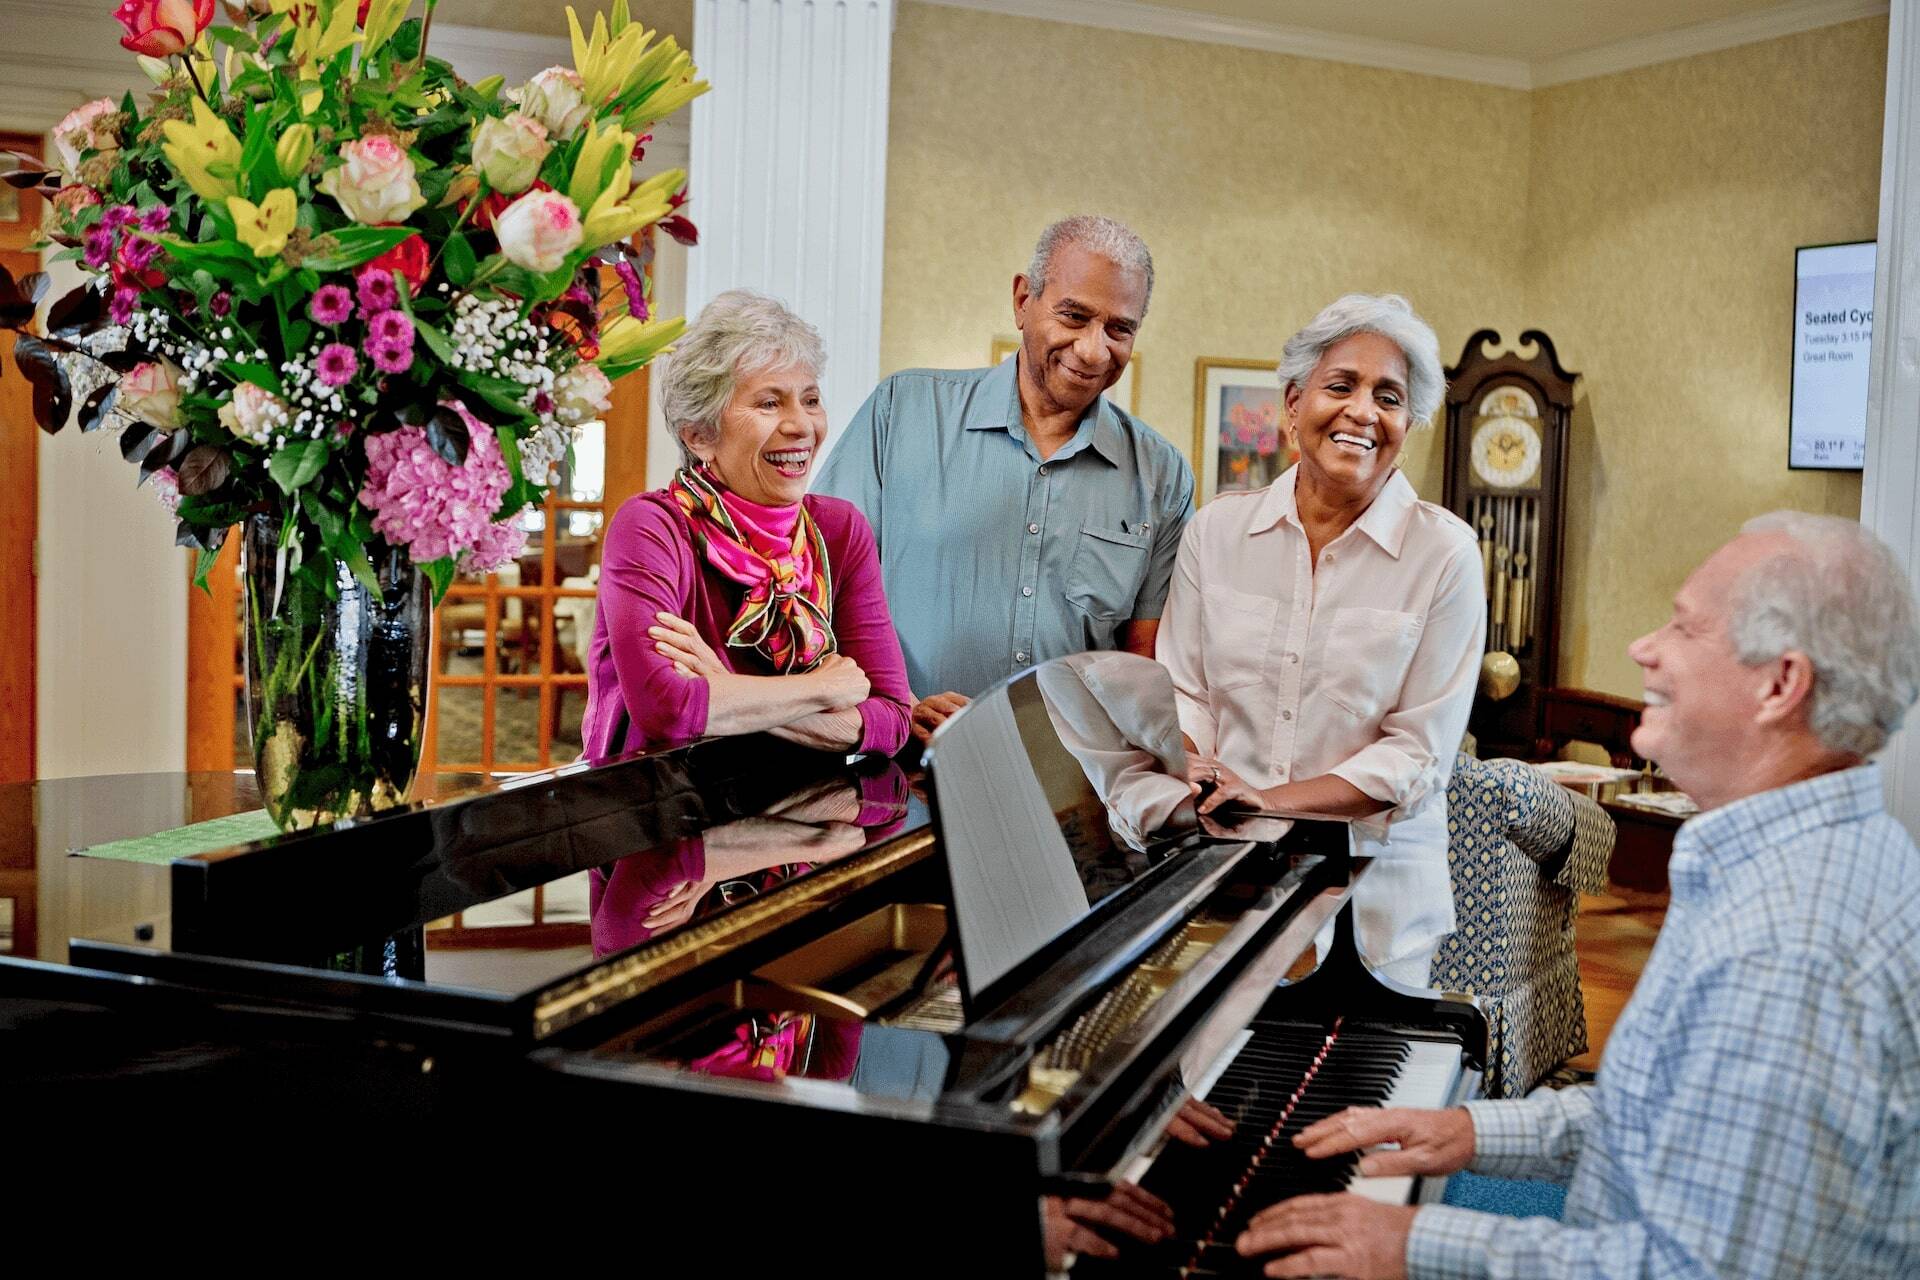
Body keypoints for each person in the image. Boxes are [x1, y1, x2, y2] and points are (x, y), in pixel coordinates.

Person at [1237, 512, 1920, 1279]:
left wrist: (1411, 1246)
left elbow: (1695, 1272)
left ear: (1779, 685)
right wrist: (1473, 1131)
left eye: (1684, 628)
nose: (1644, 647)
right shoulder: (1810, 859)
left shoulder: (1789, 948)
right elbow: (1674, 1110)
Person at [1157, 293, 1484, 986]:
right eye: (1342, 386)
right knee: (1211, 1086)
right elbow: (1183, 691)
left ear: (1408, 424)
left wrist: (1273, 800)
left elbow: (1418, 756)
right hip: (1224, 885)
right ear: (1293, 403)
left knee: (1349, 1091)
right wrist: (1190, 761)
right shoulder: (1215, 534)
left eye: (1389, 398)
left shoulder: (1446, 556)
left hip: (1375, 916)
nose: (1363, 412)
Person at [814, 215, 1195, 745]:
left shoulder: (1163, 475)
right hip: (898, 769)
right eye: (1074, 316)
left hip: (1068, 787)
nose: (1092, 349)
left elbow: (1144, 659)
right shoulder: (904, 411)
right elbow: (816, 588)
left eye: (1118, 329)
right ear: (1022, 301)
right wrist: (898, 706)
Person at [580, 290, 912, 758]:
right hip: (657, 806)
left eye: (811, 399)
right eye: (770, 404)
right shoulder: (650, 527)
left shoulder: (840, 530)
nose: (802, 426)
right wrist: (824, 688)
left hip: (801, 811)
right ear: (700, 435)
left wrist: (721, 688)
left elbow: (893, 718)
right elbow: (667, 711)